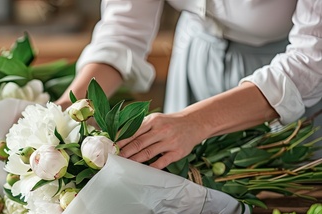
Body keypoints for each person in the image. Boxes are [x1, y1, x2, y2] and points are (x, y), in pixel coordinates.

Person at [55, 0, 322, 169]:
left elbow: (309, 63)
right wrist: (66, 111)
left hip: (287, 79)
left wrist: (194, 122)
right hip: (196, 59)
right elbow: (123, 29)